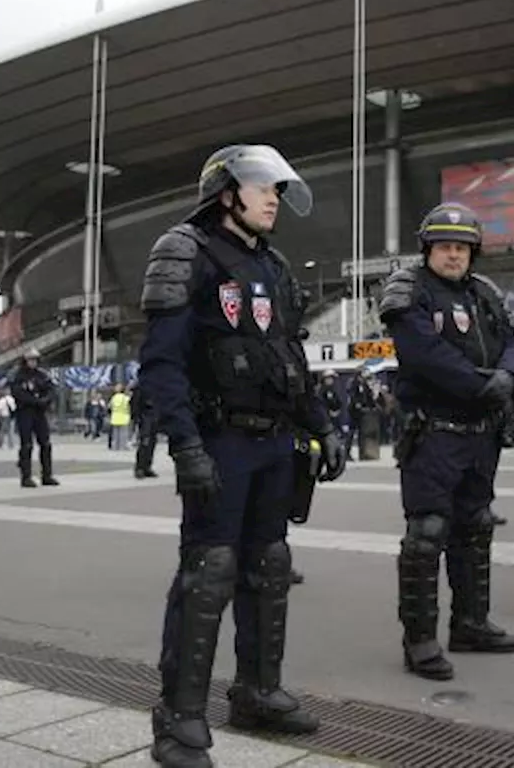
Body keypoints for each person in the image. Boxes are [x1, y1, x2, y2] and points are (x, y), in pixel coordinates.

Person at [138, 144, 346, 767]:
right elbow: (162, 365)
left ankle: (257, 692)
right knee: (208, 577)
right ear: (225, 191)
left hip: (274, 443)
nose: (272, 198)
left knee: (269, 567)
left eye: (278, 190)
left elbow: (287, 356)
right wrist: (185, 446)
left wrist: (321, 425)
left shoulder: (276, 266)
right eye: (262, 187)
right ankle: (178, 723)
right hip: (219, 440)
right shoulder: (185, 250)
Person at [379, 202, 514, 681]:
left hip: (482, 435)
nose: (454, 255)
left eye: (462, 247)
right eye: (444, 246)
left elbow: (513, 342)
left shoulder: (485, 293)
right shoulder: (409, 288)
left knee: (475, 527)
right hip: (433, 433)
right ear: (428, 249)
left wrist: (508, 375)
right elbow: (424, 353)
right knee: (427, 535)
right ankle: (420, 640)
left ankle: (471, 623)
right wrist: (482, 386)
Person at [10, 349, 60, 488]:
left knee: (45, 443)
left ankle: (47, 475)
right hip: (25, 412)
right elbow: (18, 393)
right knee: (26, 445)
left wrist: (46, 400)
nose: (33, 362)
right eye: (30, 360)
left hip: (39, 413)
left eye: (35, 360)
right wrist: (35, 401)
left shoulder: (42, 375)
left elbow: (51, 389)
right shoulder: (18, 376)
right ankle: (26, 477)